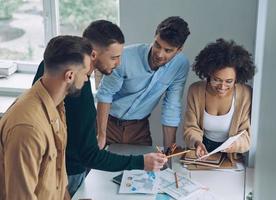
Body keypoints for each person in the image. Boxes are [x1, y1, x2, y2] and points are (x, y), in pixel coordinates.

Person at [33, 20, 167, 196]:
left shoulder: (53, 65)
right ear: (94, 55)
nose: (118, 63)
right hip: (66, 173)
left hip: (56, 168)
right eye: (113, 57)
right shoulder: (76, 88)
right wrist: (140, 162)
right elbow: (89, 155)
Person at [0, 35, 92, 200]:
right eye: (85, 73)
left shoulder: (57, 107)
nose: (86, 79)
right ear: (69, 76)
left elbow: (57, 177)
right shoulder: (28, 128)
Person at [96, 16, 191, 149]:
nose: (159, 53)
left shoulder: (180, 65)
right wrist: (101, 134)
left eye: (168, 50)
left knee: (146, 169)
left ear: (179, 50)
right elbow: (105, 95)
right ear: (154, 36)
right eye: (157, 45)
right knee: (98, 168)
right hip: (107, 124)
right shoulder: (125, 57)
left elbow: (172, 106)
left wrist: (170, 149)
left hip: (139, 129)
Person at [183, 38, 256, 159]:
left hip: (231, 155)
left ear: (237, 78)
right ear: (208, 74)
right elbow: (190, 127)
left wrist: (234, 145)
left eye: (229, 81)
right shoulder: (195, 90)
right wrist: (197, 143)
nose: (222, 86)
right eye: (216, 80)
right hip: (200, 153)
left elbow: (246, 134)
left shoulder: (245, 94)